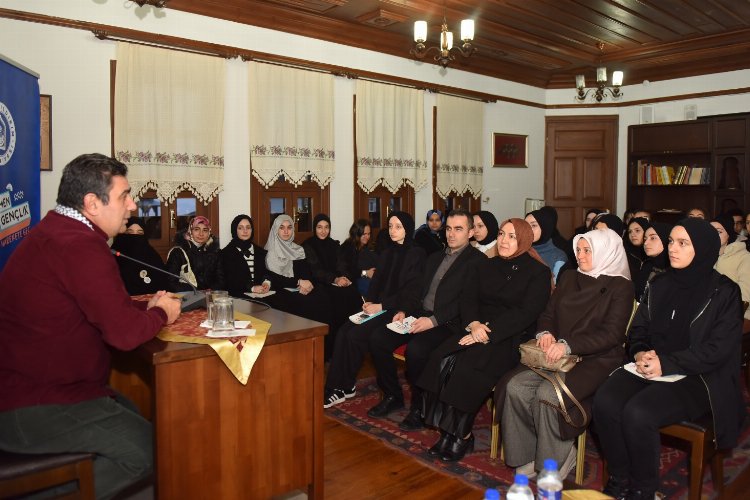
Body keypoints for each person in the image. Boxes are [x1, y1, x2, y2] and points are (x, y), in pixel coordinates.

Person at [0, 153, 181, 499]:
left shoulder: (58, 230)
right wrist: (161, 314)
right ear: (91, 203)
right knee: (155, 450)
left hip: (40, 389)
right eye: (124, 196)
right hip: (34, 403)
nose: (132, 206)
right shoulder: (79, 246)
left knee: (137, 414)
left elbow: (90, 304)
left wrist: (143, 306)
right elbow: (125, 335)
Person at [593, 219, 745, 500]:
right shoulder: (660, 283)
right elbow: (639, 329)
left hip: (700, 377)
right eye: (672, 241)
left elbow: (717, 350)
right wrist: (639, 352)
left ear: (702, 248)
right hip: (654, 365)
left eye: (683, 243)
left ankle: (643, 490)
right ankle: (620, 478)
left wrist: (668, 363)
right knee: (604, 401)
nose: (672, 248)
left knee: (639, 412)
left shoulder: (724, 292)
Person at [500, 228, 633, 480]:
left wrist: (567, 344)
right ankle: (527, 454)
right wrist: (545, 333)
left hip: (596, 359)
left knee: (548, 393)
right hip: (554, 352)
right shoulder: (570, 277)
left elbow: (612, 335)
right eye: (578, 250)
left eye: (587, 251)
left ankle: (559, 458)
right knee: (515, 386)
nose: (580, 256)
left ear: (606, 252)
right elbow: (548, 313)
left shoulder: (621, 286)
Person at [418, 218, 551, 462]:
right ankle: (447, 431)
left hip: (507, 337)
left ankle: (462, 435)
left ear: (523, 239)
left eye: (511, 236)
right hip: (474, 329)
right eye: (501, 234)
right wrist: (475, 324)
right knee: (441, 357)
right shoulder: (485, 266)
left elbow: (526, 314)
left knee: (469, 366)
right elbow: (468, 300)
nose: (504, 240)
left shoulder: (538, 272)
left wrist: (487, 331)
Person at [366, 210, 486, 429]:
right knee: (378, 338)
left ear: (470, 232)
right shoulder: (435, 257)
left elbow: (466, 302)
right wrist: (403, 309)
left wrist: (433, 321)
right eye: (448, 229)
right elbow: (416, 291)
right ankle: (393, 395)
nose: (451, 234)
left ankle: (420, 408)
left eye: (458, 229)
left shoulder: (478, 262)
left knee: (417, 350)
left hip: (449, 323)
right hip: (419, 314)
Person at [323, 212, 424, 408]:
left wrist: (381, 306)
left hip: (399, 310)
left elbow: (412, 291)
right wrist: (369, 302)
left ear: (407, 229)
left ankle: (342, 385)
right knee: (344, 330)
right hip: (377, 307)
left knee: (356, 335)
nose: (393, 230)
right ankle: (341, 386)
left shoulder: (417, 253)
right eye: (390, 226)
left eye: (398, 226)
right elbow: (376, 282)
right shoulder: (386, 252)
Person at [303, 213, 364, 359]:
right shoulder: (307, 245)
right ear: (314, 228)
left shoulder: (334, 244)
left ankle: (352, 346)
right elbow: (316, 270)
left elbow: (341, 264)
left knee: (353, 294)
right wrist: (335, 279)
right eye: (319, 227)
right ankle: (329, 351)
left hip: (336, 282)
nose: (323, 231)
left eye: (326, 227)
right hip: (319, 283)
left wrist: (345, 278)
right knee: (329, 302)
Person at [263, 214, 332, 330]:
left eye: (289, 227)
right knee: (302, 303)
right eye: (281, 227)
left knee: (322, 297)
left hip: (299, 288)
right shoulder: (270, 252)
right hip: (281, 289)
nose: (286, 231)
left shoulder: (298, 250)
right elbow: (275, 279)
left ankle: (323, 343)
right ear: (275, 230)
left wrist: (306, 285)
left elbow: (306, 273)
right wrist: (299, 282)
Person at [110, 216, 169, 294]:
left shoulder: (152, 256)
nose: (135, 236)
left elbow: (163, 284)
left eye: (140, 233)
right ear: (122, 234)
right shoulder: (113, 256)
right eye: (130, 232)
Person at [165, 215, 224, 291]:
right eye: (196, 229)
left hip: (210, 296)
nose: (201, 234)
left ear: (209, 232)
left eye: (205, 230)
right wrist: (195, 291)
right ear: (190, 231)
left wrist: (210, 291)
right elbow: (171, 282)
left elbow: (221, 280)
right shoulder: (178, 252)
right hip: (186, 297)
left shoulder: (215, 251)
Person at [219, 214, 270, 298]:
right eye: (240, 228)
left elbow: (266, 272)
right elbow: (229, 279)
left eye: (248, 227)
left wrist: (266, 283)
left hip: (262, 296)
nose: (245, 231)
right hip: (238, 297)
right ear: (234, 230)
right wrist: (252, 288)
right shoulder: (225, 253)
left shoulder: (260, 251)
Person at [711, 215, 750, 320]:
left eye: (719, 232)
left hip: (740, 317)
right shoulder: (703, 256)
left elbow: (745, 297)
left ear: (728, 234)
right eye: (710, 231)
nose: (713, 235)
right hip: (710, 314)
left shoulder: (744, 257)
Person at [633, 222, 672, 302]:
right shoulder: (647, 265)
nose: (646, 243)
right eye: (645, 239)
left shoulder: (674, 269)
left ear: (665, 239)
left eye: (653, 238)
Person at [526, 208, 568, 282]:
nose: (528, 229)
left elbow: (555, 289)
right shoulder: (519, 250)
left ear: (544, 227)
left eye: (534, 225)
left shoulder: (558, 257)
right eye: (526, 225)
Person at [338, 218, 377, 296]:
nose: (367, 237)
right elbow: (347, 270)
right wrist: (366, 273)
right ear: (356, 233)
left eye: (368, 234)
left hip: (366, 278)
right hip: (354, 281)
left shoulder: (366, 247)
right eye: (364, 234)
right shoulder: (347, 247)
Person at [624, 217, 649, 282]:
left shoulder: (653, 253)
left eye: (637, 230)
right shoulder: (624, 253)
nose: (632, 235)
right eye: (630, 232)